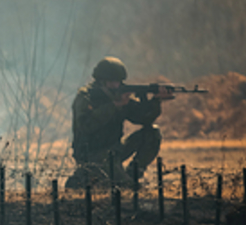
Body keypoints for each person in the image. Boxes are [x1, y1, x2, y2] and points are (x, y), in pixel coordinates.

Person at [66, 57, 174, 189]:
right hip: (92, 155)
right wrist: (114, 106)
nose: (116, 85)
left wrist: (155, 101)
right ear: (101, 81)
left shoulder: (118, 96)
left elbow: (143, 118)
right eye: (111, 82)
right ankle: (83, 176)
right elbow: (85, 126)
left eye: (118, 81)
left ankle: (133, 173)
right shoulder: (86, 97)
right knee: (128, 189)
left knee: (152, 133)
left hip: (114, 150)